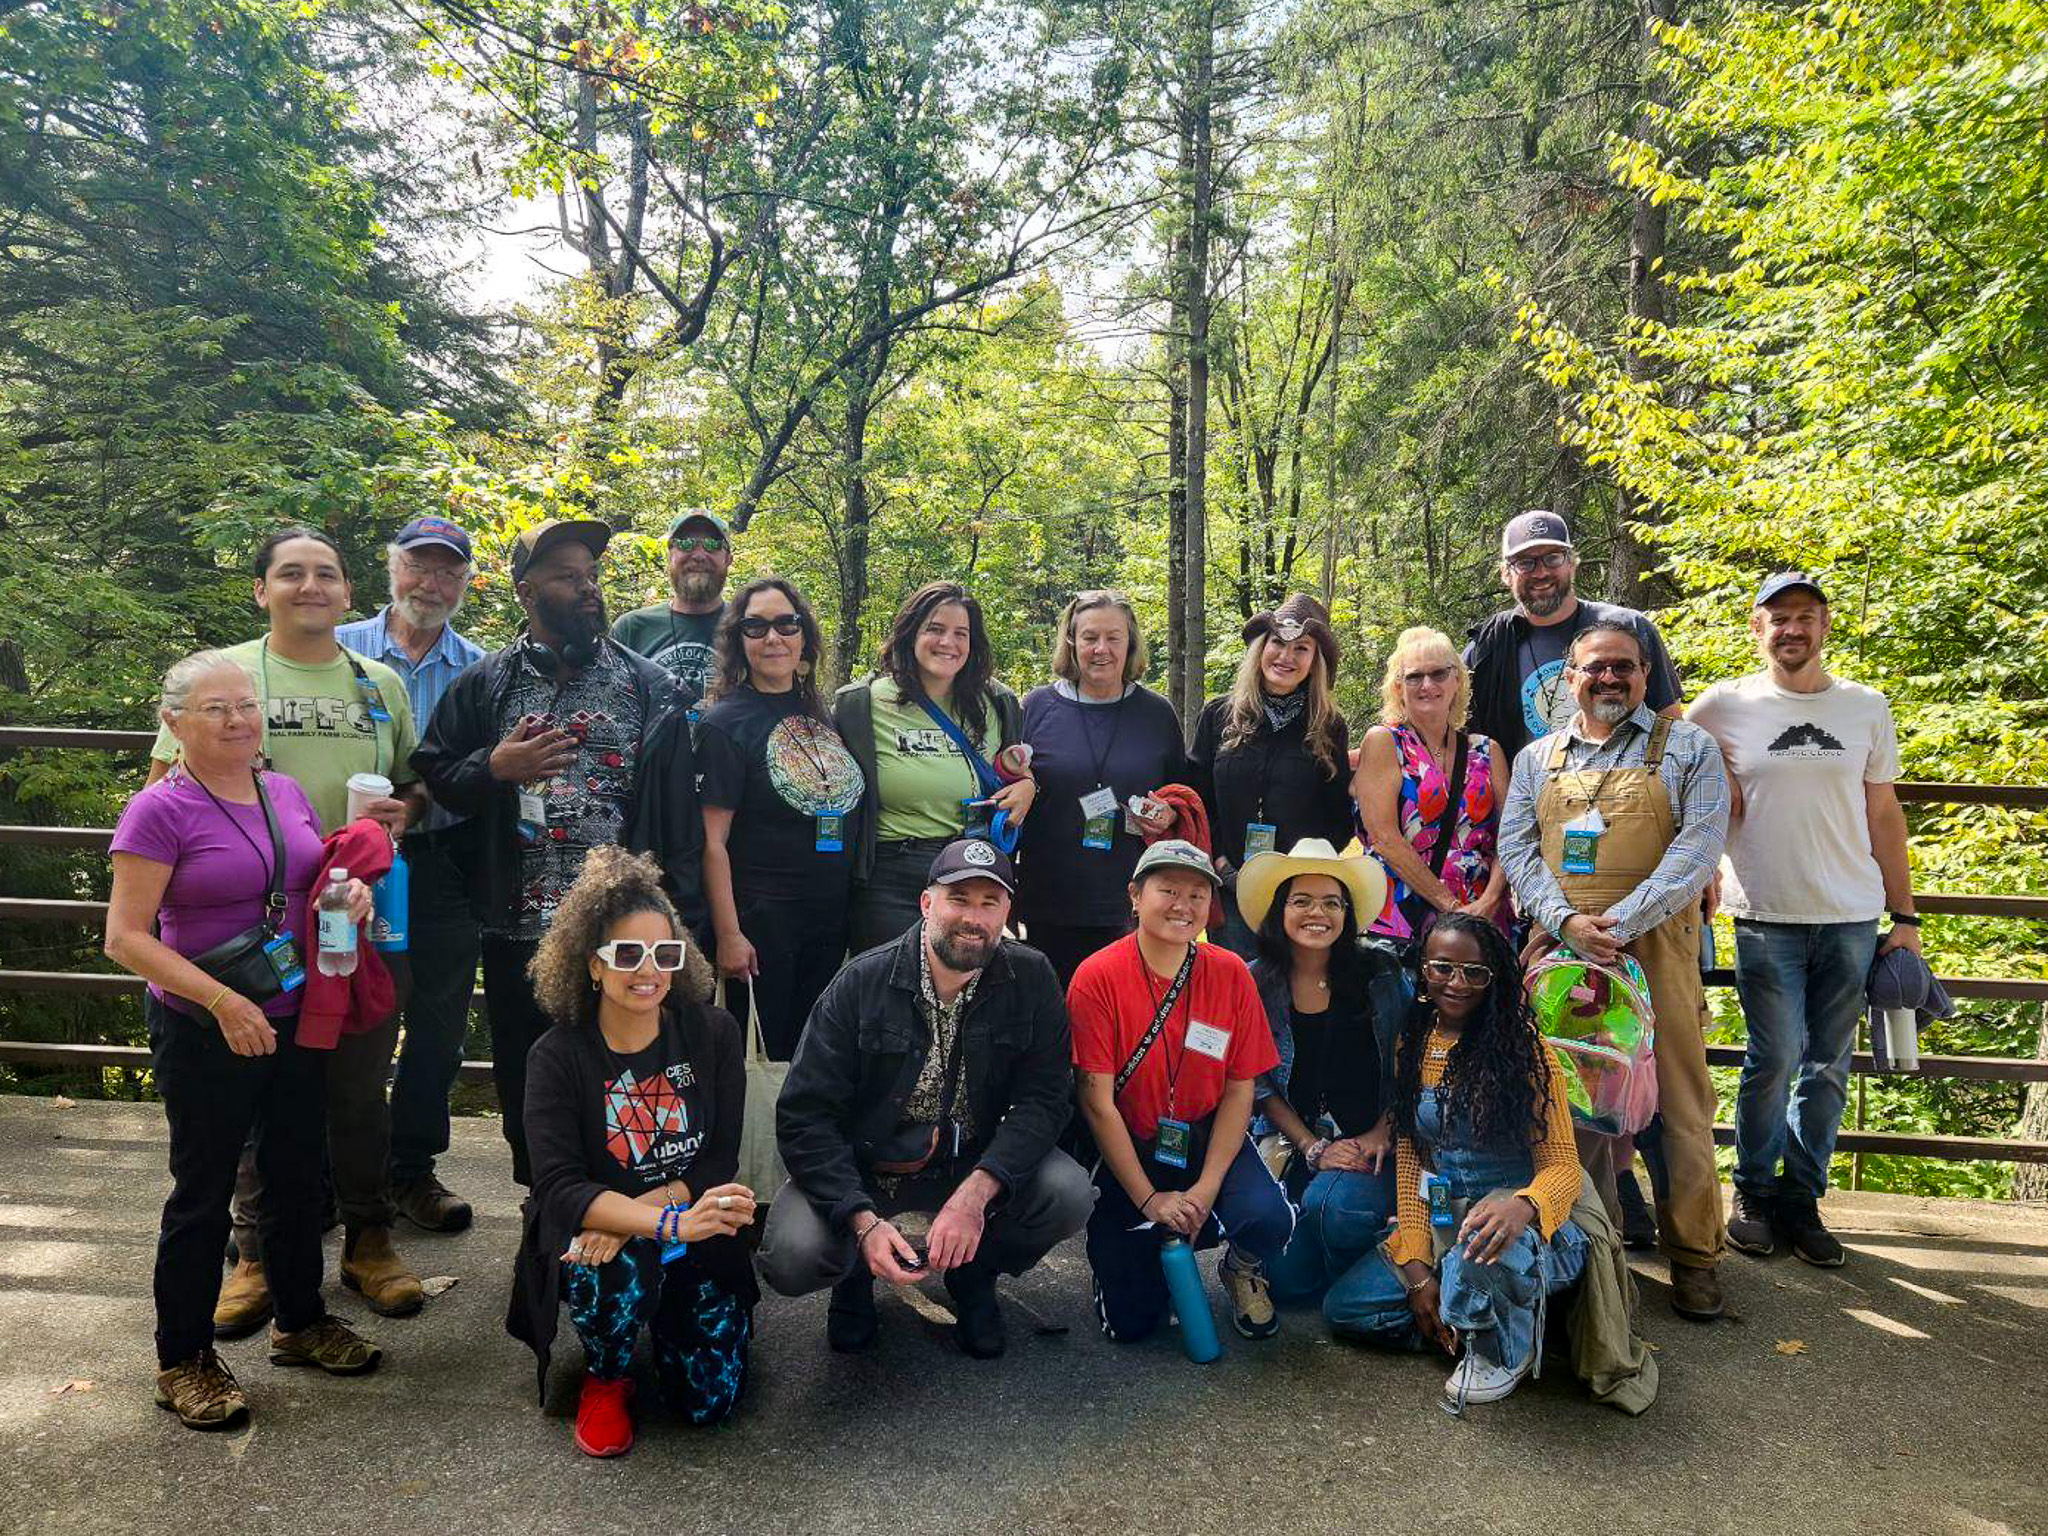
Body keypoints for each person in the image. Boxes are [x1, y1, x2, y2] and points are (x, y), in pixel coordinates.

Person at [147, 527, 427, 1330]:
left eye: (328, 575)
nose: (312, 587)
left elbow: (410, 788)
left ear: (349, 593)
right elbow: (165, 793)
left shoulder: (380, 683)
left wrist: (399, 817)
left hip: (353, 924)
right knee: (255, 1094)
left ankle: (368, 1240)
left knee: (355, 1093)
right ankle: (256, 1255)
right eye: (292, 574)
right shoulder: (229, 679)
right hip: (244, 939)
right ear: (262, 588)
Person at [107, 652, 382, 1429]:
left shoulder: (283, 790)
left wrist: (349, 893)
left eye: (245, 706)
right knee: (202, 1193)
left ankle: (299, 1321)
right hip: (205, 1022)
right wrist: (223, 1000)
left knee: (298, 1177)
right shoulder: (158, 810)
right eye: (214, 709)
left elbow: (307, 882)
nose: (236, 721)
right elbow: (125, 938)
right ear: (174, 723)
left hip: (293, 1012)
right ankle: (182, 1358)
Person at [412, 517, 705, 1187]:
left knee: (630, 1077)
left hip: (624, 933)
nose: (587, 588)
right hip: (516, 928)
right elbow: (435, 771)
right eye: (567, 577)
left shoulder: (649, 686)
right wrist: (495, 766)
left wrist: (682, 920)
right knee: (529, 1081)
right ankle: (546, 1209)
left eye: (591, 576)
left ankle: (625, 1212)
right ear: (525, 592)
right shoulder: (485, 683)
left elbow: (679, 823)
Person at [760, 839, 1092, 1360]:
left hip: (968, 1164)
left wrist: (977, 1193)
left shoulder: (1031, 976)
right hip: (869, 1169)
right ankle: (857, 1273)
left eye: (990, 903)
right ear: (926, 903)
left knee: (1069, 1192)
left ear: (1008, 911)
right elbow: (805, 1118)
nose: (974, 918)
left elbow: (1045, 1099)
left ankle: (973, 1271)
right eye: (959, 898)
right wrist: (861, 1220)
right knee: (794, 1253)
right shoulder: (860, 982)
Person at [1498, 618, 1732, 1320]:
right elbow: (1517, 849)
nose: (1608, 678)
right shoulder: (1540, 758)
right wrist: (1567, 924)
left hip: (1657, 947)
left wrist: (1620, 926)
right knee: (1570, 1106)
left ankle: (1694, 1257)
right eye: (1594, 667)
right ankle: (1589, 1256)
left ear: (1644, 675)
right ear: (1570, 678)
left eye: (1624, 667)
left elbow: (1699, 846)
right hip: (1560, 953)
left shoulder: (1688, 748)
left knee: (1683, 1104)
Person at [1688, 572, 1919, 1267]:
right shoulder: (1725, 705)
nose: (1792, 630)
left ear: (1825, 627)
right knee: (1775, 1056)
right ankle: (1754, 1190)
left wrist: (1904, 915)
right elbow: (1663, 744)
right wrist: (1717, 785)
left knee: (1828, 1067)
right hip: (1764, 913)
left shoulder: (1864, 707)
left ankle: (1803, 1197)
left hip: (1851, 912)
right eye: (1778, 618)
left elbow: (1883, 811)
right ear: (1756, 629)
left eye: (1806, 617)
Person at [509, 847, 759, 1456]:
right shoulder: (556, 1056)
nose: (647, 970)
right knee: (607, 1265)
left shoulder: (712, 1034)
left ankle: (689, 1317)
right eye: (626, 954)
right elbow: (560, 1189)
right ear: (591, 965)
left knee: (708, 1405)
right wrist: (660, 1221)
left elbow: (716, 1161)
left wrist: (659, 1214)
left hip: (682, 1222)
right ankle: (608, 1372)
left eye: (663, 954)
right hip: (615, 1233)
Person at [1335, 916, 1592, 1410]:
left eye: (1475, 972)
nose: (1457, 982)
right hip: (1446, 1217)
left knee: (1482, 1248)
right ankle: (1464, 1326)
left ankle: (1502, 1348)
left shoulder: (1528, 1052)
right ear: (1424, 971)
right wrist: (1418, 1274)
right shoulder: (1412, 1042)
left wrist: (1524, 1206)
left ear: (1495, 977)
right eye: (1443, 968)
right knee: (1347, 1308)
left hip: (1527, 1226)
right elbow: (1412, 1160)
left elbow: (1562, 1165)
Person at [1070, 840, 1294, 1343]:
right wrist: (1150, 1201)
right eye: (1167, 890)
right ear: (1135, 895)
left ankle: (1236, 1263)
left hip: (1204, 1130)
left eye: (1197, 895)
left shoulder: (1230, 971)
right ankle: (1143, 1252)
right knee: (1132, 1325)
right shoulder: (1097, 976)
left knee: (1267, 1217)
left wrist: (1207, 1187)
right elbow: (1097, 1103)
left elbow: (1241, 1089)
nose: (1182, 905)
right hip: (1134, 1140)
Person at [337, 516, 486, 1235]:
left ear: (466, 582)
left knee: (437, 1025)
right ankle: (333, 1172)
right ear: (390, 568)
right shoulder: (339, 647)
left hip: (442, 863)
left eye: (448, 571)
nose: (432, 583)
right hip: (342, 864)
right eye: (419, 567)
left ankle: (410, 1171)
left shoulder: (482, 666)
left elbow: (483, 774)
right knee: (339, 1013)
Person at [1232, 840, 1408, 1336]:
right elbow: (1260, 1083)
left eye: (1332, 902)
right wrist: (1311, 1147)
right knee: (1286, 1282)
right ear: (1280, 910)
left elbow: (1412, 1061)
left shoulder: (1381, 973)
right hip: (1294, 1145)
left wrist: (1381, 1131)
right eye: (1302, 900)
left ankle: (1373, 1259)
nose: (1318, 913)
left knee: (1335, 1208)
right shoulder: (1256, 981)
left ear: (1348, 914)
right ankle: (1343, 1266)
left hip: (1374, 1143)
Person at [697, 577, 866, 1061]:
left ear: (804, 635)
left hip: (827, 922)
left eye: (786, 624)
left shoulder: (823, 713)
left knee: (812, 1061)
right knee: (760, 1063)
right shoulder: (725, 724)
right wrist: (729, 935)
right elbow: (712, 843)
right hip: (762, 924)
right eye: (756, 626)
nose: (773, 638)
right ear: (739, 640)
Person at [834, 582, 1037, 954]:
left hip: (974, 870)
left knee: (968, 996)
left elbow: (1010, 767)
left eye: (961, 633)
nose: (949, 642)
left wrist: (1028, 785)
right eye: (935, 629)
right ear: (910, 633)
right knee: (892, 996)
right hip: (892, 876)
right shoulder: (860, 705)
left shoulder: (997, 702)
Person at [1018, 590, 1187, 987]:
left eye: (1114, 638)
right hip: (1051, 898)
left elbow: (1181, 795)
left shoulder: (1156, 713)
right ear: (1071, 642)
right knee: (1054, 1020)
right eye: (1090, 637)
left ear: (1130, 644)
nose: (1101, 649)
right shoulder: (1037, 707)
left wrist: (1169, 813)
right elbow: (1013, 784)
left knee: (1125, 1017)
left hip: (1132, 902)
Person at [1187, 593, 1353, 956]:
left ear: (1316, 660)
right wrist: (1219, 860)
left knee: (1290, 995)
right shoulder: (1219, 716)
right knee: (1237, 992)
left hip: (1297, 896)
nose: (1286, 657)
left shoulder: (1328, 727)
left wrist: (1303, 871)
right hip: (1231, 886)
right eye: (1278, 643)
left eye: (1301, 648)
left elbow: (1339, 816)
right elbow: (1198, 798)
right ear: (1261, 647)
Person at [1463, 510, 1683, 763]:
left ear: (1572, 563)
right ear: (1506, 573)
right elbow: (1445, 725)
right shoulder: (1489, 646)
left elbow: (1670, 725)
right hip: (1526, 797)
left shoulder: (1628, 628)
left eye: (1553, 558)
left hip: (1625, 792)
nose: (1541, 572)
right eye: (1525, 562)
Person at [1355, 627, 1509, 944]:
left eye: (1438, 674)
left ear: (1457, 680)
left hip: (1483, 921)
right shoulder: (1385, 743)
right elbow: (1384, 837)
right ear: (1398, 687)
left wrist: (1490, 900)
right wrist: (1451, 907)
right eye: (1414, 677)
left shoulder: (1487, 752)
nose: (1427, 685)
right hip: (1403, 920)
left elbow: (1511, 837)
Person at [610, 509, 735, 700]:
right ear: (669, 557)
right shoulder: (631, 628)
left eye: (712, 544)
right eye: (686, 544)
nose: (699, 555)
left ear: (728, 559)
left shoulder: (748, 626)